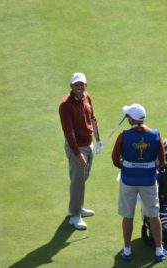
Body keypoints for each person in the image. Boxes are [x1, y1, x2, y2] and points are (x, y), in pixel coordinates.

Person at [111, 103, 167, 262]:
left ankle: (127, 250)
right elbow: (162, 160)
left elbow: (115, 159)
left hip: (128, 180)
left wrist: (127, 167)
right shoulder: (156, 134)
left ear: (131, 120)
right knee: (153, 215)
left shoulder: (123, 136)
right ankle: (159, 250)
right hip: (149, 181)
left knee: (128, 216)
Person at [59, 72, 103, 230]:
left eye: (81, 84)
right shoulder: (65, 105)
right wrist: (77, 154)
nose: (79, 87)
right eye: (76, 84)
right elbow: (68, 132)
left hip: (88, 143)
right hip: (77, 146)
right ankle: (74, 215)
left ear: (85, 85)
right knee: (77, 181)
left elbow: (93, 118)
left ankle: (79, 206)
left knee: (83, 178)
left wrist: (98, 139)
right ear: (71, 86)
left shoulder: (87, 97)